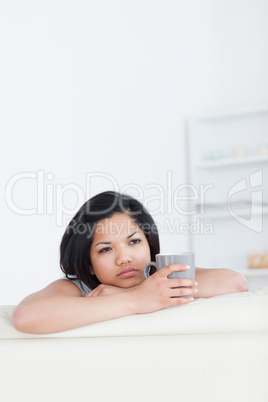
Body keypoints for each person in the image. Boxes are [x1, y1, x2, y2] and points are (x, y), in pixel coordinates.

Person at [12, 191, 248, 334]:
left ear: (150, 244)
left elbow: (236, 283)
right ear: (89, 263)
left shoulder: (163, 280)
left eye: (133, 241)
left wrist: (143, 292)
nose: (124, 257)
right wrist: (135, 300)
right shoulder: (78, 288)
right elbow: (26, 317)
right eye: (105, 249)